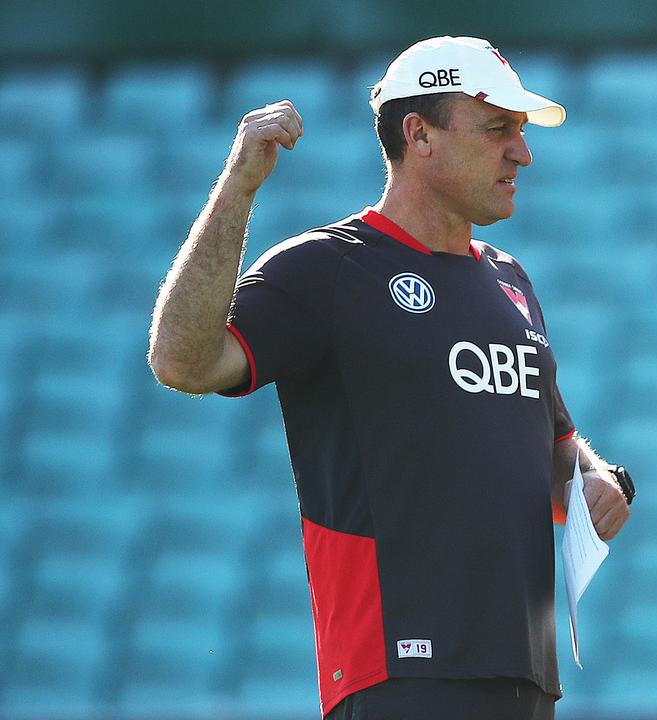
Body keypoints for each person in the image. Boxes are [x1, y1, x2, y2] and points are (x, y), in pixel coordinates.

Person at [148, 36, 632, 720]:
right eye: (499, 129)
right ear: (419, 135)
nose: (521, 153)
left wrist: (593, 481)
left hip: (523, 673)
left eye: (520, 133)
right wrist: (239, 188)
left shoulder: (511, 280)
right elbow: (182, 361)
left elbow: (554, 447)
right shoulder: (327, 267)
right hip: (397, 674)